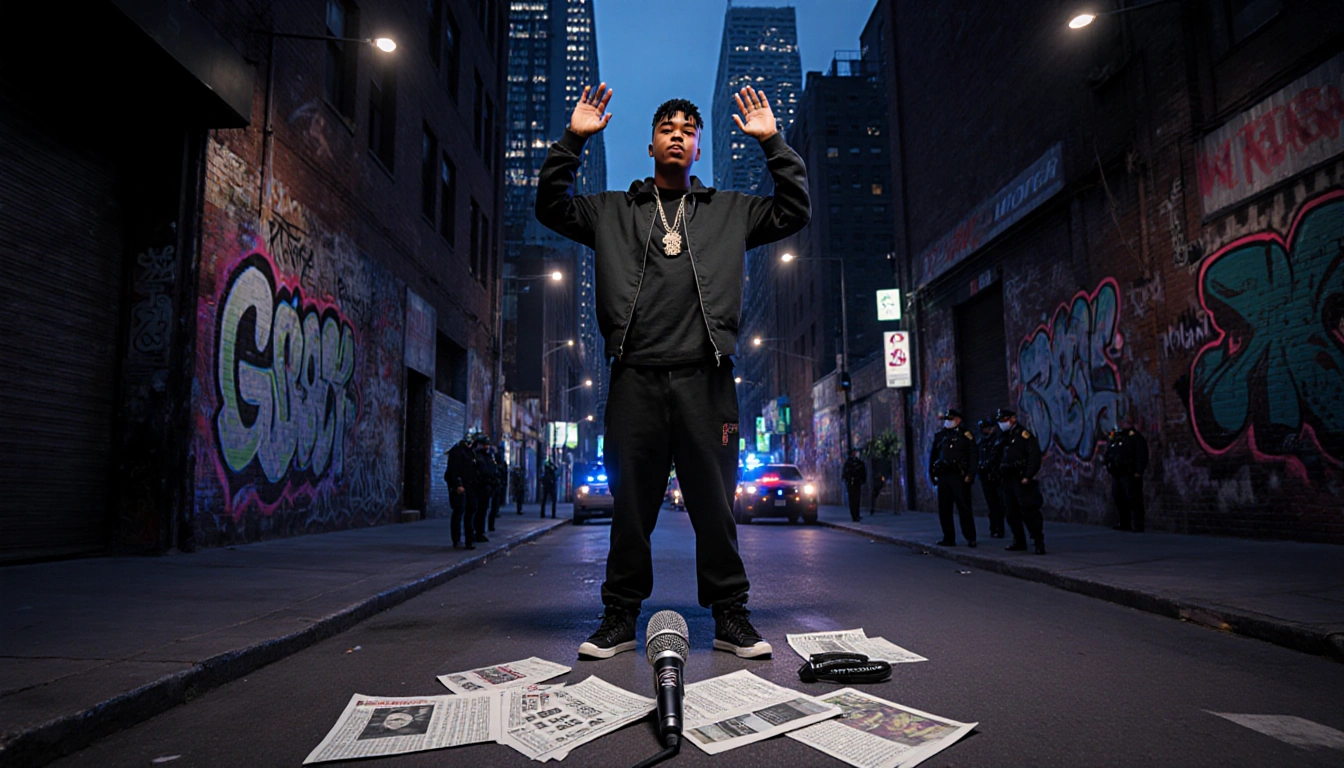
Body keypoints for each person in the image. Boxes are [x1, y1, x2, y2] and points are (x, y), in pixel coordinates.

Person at [536, 83, 809, 660]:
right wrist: (573, 139)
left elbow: (794, 209)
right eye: (668, 129)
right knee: (631, 506)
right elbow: (550, 205)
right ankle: (618, 617)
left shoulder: (731, 211)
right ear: (652, 145)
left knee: (714, 502)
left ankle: (732, 617)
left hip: (707, 381)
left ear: (699, 150)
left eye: (689, 130)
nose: (679, 135)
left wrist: (773, 143)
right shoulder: (612, 211)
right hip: (634, 377)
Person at [995, 408, 1046, 554]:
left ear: (1012, 419)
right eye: (1001, 421)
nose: (1002, 424)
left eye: (1004, 420)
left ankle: (1038, 541)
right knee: (1011, 512)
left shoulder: (1024, 435)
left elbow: (1034, 456)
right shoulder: (1003, 437)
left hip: (1021, 479)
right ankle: (1019, 540)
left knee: (1029, 511)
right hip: (1007, 479)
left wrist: (1028, 476)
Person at [928, 408, 977, 547]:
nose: (948, 422)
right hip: (943, 476)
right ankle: (948, 537)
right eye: (946, 420)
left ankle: (970, 537)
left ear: (958, 420)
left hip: (959, 476)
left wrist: (970, 474)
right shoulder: (940, 436)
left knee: (964, 507)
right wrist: (932, 475)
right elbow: (933, 457)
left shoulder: (965, 435)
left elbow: (973, 455)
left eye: (950, 420)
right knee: (944, 509)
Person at [1103, 421, 1149, 532]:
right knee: (1119, 499)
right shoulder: (1117, 437)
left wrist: (1139, 470)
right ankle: (1124, 523)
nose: (1121, 424)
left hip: (1130, 473)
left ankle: (1137, 524)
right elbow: (1109, 452)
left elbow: (1142, 453)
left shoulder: (1135, 437)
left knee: (1134, 499)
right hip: (1117, 474)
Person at [445, 435, 478, 549]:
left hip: (469, 487)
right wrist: (458, 484)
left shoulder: (470, 453)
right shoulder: (457, 453)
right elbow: (452, 472)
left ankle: (469, 540)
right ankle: (457, 540)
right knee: (459, 512)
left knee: (470, 511)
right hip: (459, 488)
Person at [976, 418, 1007, 538]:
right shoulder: (981, 442)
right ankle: (994, 527)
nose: (986, 430)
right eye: (984, 428)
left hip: (997, 476)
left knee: (999, 504)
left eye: (988, 428)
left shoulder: (998, 441)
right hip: (985, 477)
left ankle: (999, 528)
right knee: (991, 504)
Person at [470, 434, 495, 543]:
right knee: (476, 511)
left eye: (487, 445)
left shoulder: (488, 456)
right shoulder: (476, 456)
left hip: (486, 487)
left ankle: (480, 532)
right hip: (478, 487)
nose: (486, 447)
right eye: (484, 444)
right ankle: (475, 532)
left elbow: (492, 470)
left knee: (483, 510)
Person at [842, 450, 867, 523]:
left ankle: (857, 514)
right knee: (853, 499)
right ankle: (854, 515)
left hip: (857, 482)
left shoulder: (859, 463)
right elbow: (845, 474)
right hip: (851, 483)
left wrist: (862, 480)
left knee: (857, 499)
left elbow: (863, 472)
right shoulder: (849, 463)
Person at [491, 444, 508, 529]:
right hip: (494, 484)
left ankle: (494, 516)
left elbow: (505, 473)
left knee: (496, 502)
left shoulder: (502, 462)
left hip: (499, 483)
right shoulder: (493, 460)